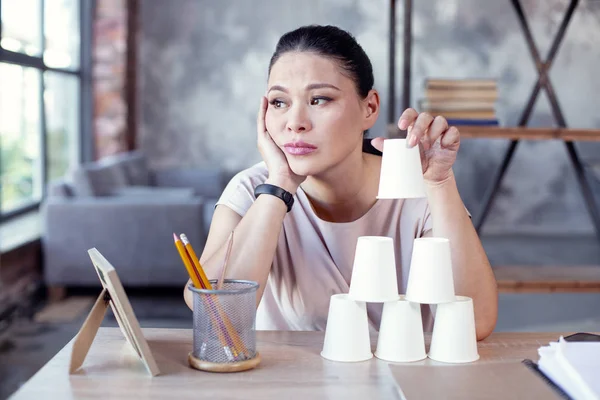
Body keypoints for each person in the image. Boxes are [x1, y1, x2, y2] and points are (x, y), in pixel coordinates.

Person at [184, 24, 498, 339]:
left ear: (369, 107)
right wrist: (278, 186)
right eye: (279, 103)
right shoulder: (251, 190)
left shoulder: (420, 188)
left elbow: (476, 322)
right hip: (290, 383)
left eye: (319, 99)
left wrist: (440, 184)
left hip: (406, 383)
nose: (296, 123)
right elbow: (215, 318)